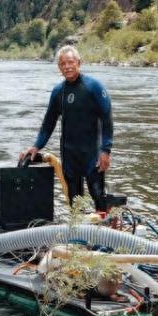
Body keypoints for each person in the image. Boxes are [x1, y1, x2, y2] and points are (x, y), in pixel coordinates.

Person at [22, 45, 113, 211]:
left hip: (92, 155)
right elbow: (48, 123)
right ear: (59, 67)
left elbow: (107, 118)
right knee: (75, 203)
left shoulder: (93, 87)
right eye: (63, 64)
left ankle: (104, 232)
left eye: (70, 62)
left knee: (98, 196)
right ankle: (78, 233)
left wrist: (106, 150)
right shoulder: (58, 92)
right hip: (70, 156)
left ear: (79, 63)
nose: (67, 66)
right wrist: (37, 146)